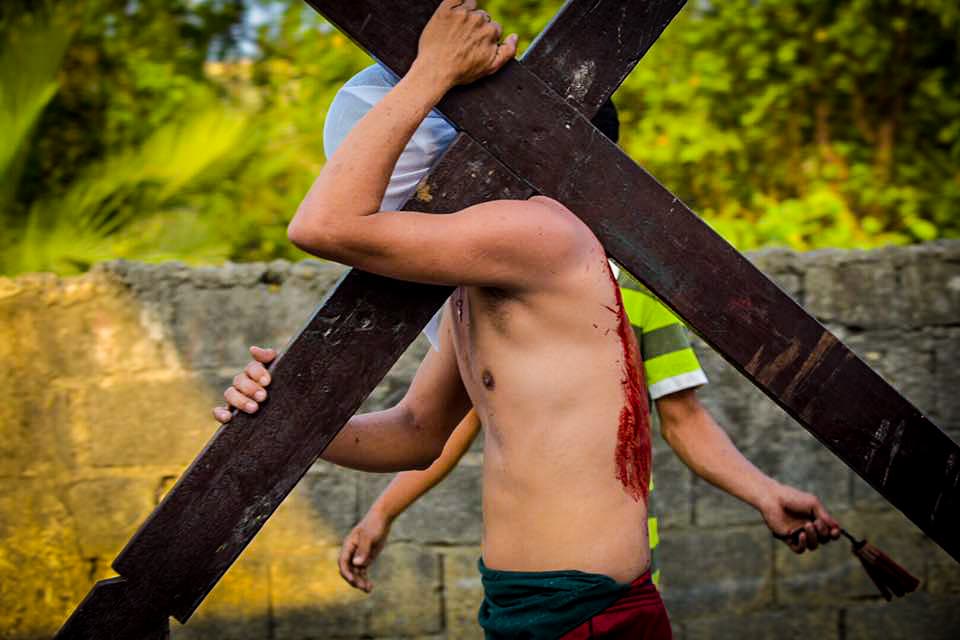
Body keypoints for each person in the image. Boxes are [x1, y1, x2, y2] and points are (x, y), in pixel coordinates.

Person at [213, 2, 841, 637]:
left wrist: (433, 72)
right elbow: (417, 430)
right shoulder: (482, 284)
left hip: (584, 611)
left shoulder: (540, 233)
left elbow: (323, 224)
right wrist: (282, 417)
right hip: (525, 603)